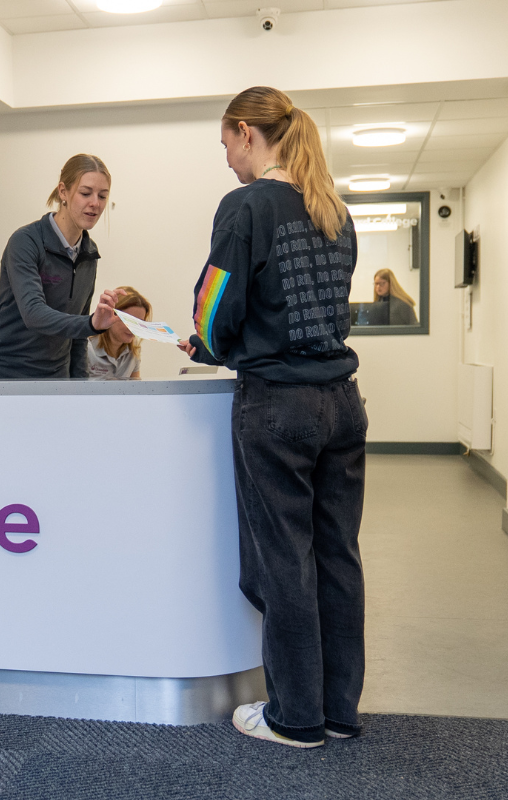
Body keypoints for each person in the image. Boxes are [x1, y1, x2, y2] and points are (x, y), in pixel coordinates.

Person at [179, 86, 366, 749]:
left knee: (286, 560)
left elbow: (214, 306)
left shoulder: (247, 204)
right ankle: (339, 711)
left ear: (244, 132)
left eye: (226, 143)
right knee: (337, 556)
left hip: (278, 405)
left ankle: (295, 717)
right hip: (342, 404)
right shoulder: (334, 211)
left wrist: (204, 343)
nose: (228, 157)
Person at [0, 154, 120, 379]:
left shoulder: (89, 252)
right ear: (63, 192)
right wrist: (91, 322)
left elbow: (78, 336)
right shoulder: (26, 241)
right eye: (85, 193)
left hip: (54, 375)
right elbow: (33, 313)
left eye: (103, 196)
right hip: (3, 371)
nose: (95, 203)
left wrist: (81, 387)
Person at [86, 286, 151, 380]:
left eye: (139, 323)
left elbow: (136, 390)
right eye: (128, 320)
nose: (132, 328)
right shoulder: (87, 347)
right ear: (110, 316)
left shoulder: (134, 349)